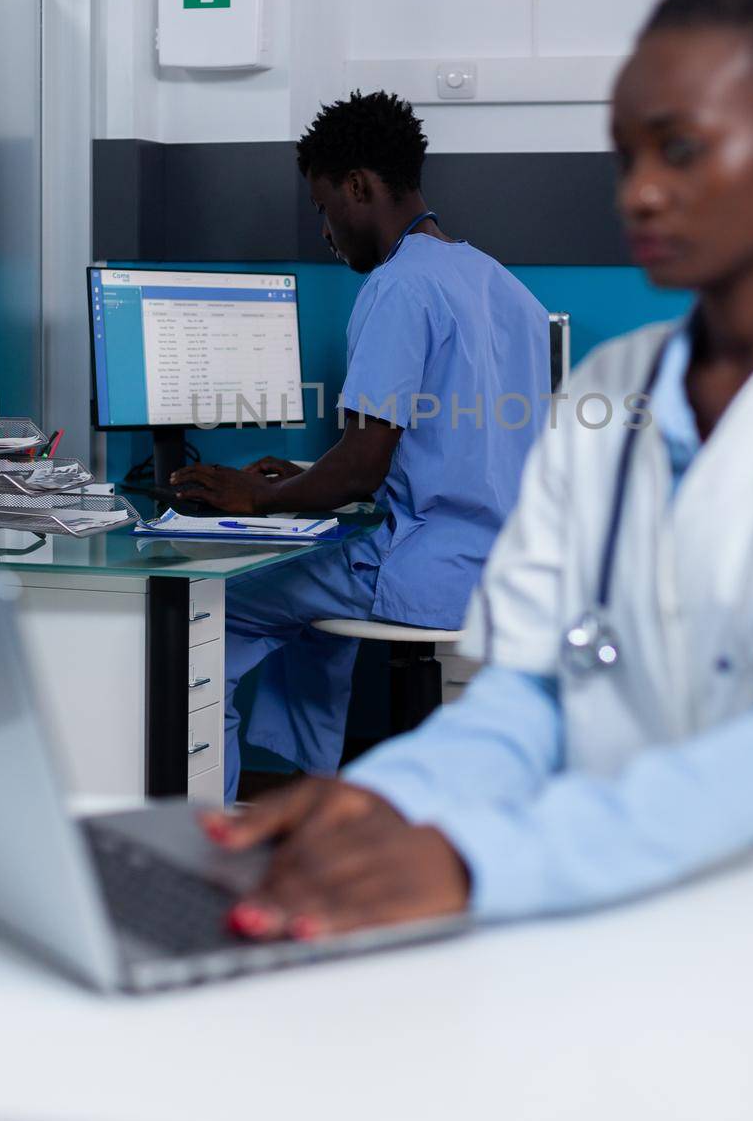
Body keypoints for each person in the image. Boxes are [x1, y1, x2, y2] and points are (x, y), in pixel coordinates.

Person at [199, 0, 753, 940]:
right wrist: (390, 801)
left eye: (679, 148)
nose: (638, 189)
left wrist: (476, 856)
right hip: (611, 905)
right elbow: (525, 691)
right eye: (628, 151)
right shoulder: (608, 394)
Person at [172, 90, 550, 799]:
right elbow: (460, 443)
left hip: (427, 575)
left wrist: (259, 496)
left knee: (211, 612)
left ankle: (217, 826)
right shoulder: (504, 288)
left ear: (357, 187)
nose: (325, 230)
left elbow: (363, 464)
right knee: (310, 605)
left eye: (322, 208)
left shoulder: (398, 286)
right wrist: (308, 476)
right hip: (501, 570)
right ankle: (314, 790)